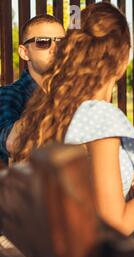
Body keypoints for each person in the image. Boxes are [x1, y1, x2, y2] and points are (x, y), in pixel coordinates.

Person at [10, 2, 134, 236]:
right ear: (123, 58)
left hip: (45, 256)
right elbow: (117, 225)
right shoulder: (100, 116)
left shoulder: (55, 105)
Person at [0, 14, 65, 165]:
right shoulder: (9, 94)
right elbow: (11, 141)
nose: (55, 49)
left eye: (62, 42)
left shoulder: (73, 95)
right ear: (24, 52)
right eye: (43, 42)